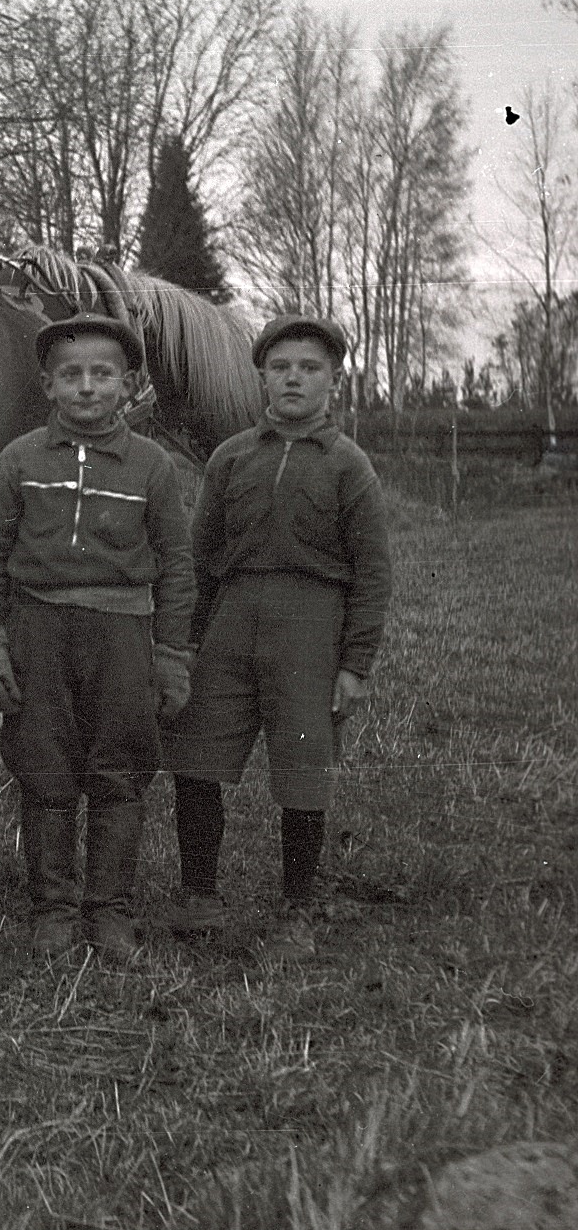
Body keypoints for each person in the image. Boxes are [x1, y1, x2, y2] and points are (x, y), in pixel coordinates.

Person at [162, 315, 391, 961]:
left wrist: (355, 665)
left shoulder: (350, 467)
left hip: (311, 626)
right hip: (232, 619)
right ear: (261, 375)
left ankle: (297, 909)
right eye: (281, 367)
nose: (294, 378)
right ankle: (198, 893)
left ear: (334, 382)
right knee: (194, 752)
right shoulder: (231, 458)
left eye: (310, 368)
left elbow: (373, 575)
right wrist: (183, 642)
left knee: (303, 767)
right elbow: (199, 557)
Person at [0, 315, 196, 963]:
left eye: (102, 375)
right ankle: (53, 909)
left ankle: (110, 912)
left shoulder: (152, 466)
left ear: (129, 385)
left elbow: (177, 565)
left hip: (122, 633)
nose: (87, 388)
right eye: (71, 375)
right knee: (44, 767)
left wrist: (172, 655)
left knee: (120, 770)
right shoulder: (19, 460)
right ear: (47, 385)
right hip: (37, 627)